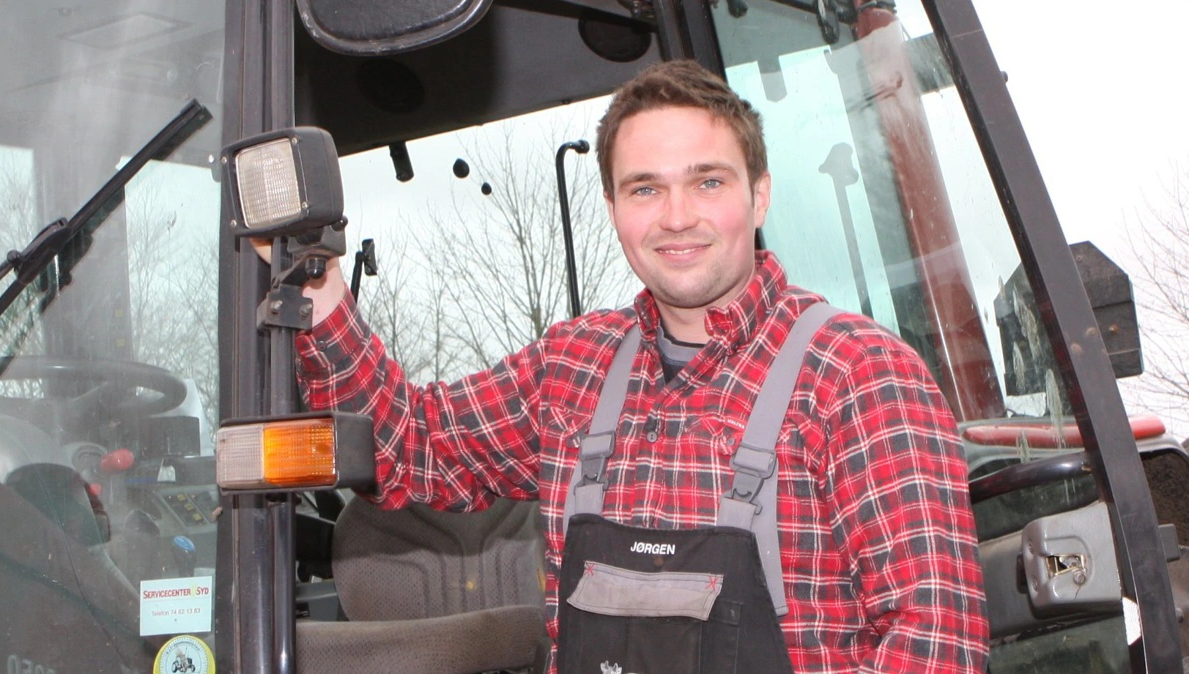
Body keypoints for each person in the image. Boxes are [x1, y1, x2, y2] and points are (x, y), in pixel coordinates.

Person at [283, 59, 988, 672]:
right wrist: (317, 289)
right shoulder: (571, 371)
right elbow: (410, 446)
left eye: (707, 182)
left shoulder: (860, 377)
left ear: (759, 193)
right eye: (646, 188)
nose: (677, 216)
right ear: (614, 206)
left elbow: (933, 644)